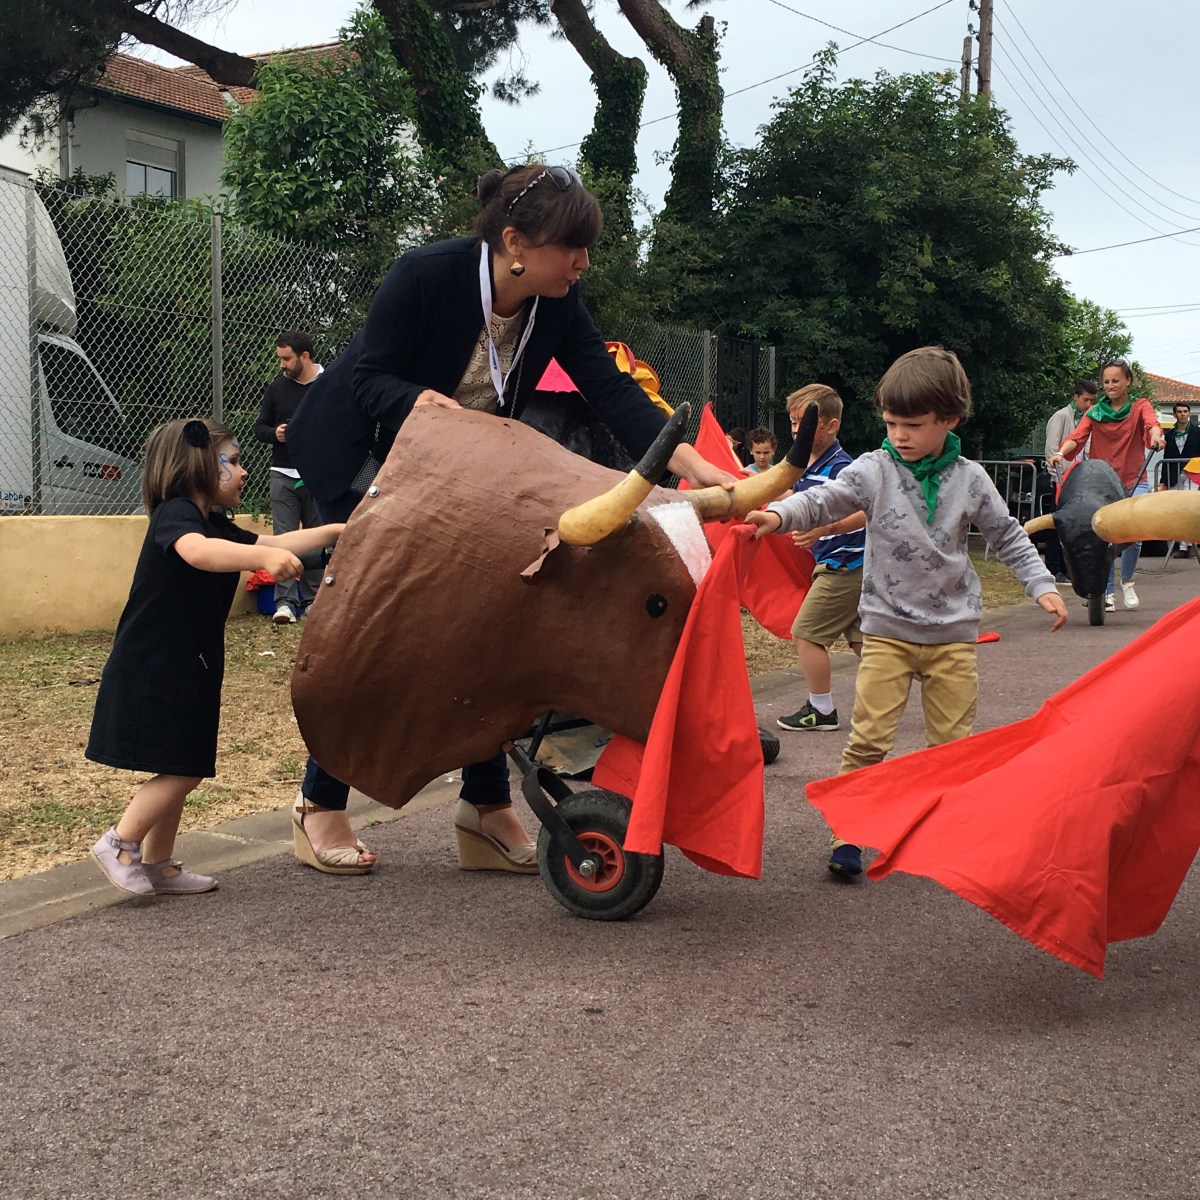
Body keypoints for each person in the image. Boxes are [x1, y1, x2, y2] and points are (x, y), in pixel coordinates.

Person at [285, 162, 738, 876]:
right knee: (382, 623)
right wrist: (423, 408)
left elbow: (609, 387)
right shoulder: (425, 274)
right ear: (515, 242)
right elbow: (369, 378)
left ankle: (485, 804)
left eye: (586, 248)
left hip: (466, 475)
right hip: (364, 458)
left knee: (493, 619)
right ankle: (319, 799)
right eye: (571, 247)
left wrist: (689, 461)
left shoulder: (557, 301)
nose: (582, 263)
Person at [747, 346, 1068, 878]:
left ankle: (943, 831)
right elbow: (824, 499)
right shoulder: (874, 469)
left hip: (952, 637)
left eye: (913, 425)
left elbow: (1007, 534)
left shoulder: (971, 478)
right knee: (869, 738)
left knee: (950, 747)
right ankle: (849, 829)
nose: (899, 435)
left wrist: (1040, 584)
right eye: (891, 422)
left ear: (950, 419)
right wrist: (778, 515)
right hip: (887, 633)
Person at [86, 417, 346, 897]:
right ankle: (119, 843)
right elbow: (199, 553)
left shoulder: (213, 524)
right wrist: (261, 561)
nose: (243, 472)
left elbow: (275, 543)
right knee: (184, 766)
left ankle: (158, 864)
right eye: (234, 461)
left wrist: (337, 531)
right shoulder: (177, 515)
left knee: (181, 758)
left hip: (192, 662)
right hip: (156, 663)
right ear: (199, 465)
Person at [775, 385, 867, 734]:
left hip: (844, 564)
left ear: (831, 425)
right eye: (793, 421)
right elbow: (796, 495)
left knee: (807, 633)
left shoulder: (842, 467)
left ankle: (822, 709)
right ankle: (933, 676)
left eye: (805, 422)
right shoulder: (811, 464)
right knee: (865, 643)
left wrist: (825, 529)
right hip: (844, 564)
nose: (796, 430)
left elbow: (866, 510)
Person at [1047, 360, 1166, 612]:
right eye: (1106, 382)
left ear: (1128, 381)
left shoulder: (1139, 406)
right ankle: (1107, 591)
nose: (1110, 386)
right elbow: (1077, 437)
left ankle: (1127, 580)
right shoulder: (1095, 412)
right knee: (1104, 536)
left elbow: (1151, 425)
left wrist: (1156, 436)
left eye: (1116, 381)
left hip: (1134, 479)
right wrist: (1060, 453)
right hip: (1102, 486)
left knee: (1135, 535)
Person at [253, 331, 325, 624]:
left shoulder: (328, 384)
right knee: (284, 538)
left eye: (286, 358)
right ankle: (284, 603)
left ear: (304, 356)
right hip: (282, 474)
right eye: (280, 359)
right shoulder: (276, 388)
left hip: (318, 474)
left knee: (316, 537)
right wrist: (276, 433)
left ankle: (313, 601)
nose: (281, 365)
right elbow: (259, 428)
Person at [1041, 379, 1097, 580]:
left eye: (1092, 401)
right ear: (1075, 397)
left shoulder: (1089, 418)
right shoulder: (1060, 416)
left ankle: (1068, 569)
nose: (1089, 404)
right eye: (1085, 400)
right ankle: (1054, 568)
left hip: (1079, 479)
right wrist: (1058, 476)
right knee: (1057, 524)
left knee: (1074, 526)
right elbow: (1052, 448)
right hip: (1062, 478)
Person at [1158, 403, 1200, 557]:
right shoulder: (1169, 435)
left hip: (1193, 473)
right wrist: (1163, 480)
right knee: (1178, 509)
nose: (1183, 414)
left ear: (1189, 414)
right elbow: (1166, 457)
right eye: (1180, 412)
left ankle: (1186, 546)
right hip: (1174, 473)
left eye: (1185, 411)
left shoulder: (1197, 432)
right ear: (1174, 415)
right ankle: (1183, 545)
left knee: (1188, 508)